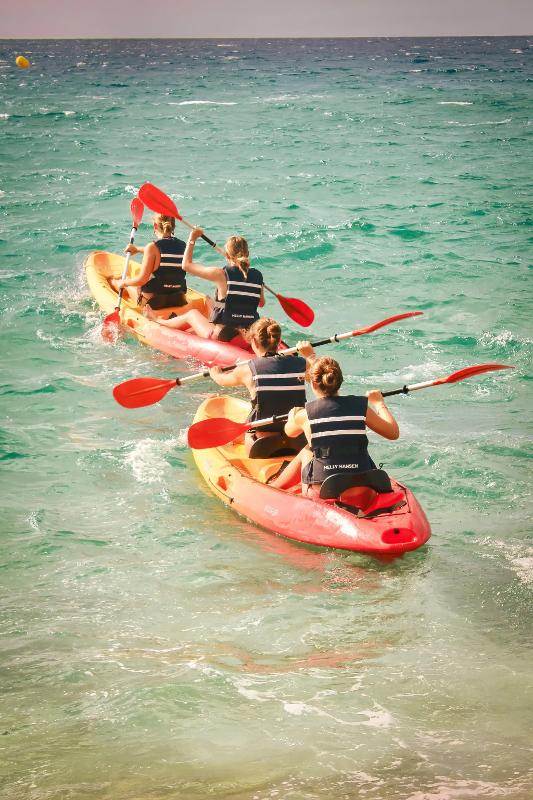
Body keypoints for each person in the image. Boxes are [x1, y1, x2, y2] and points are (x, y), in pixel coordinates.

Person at [270, 345, 399, 495]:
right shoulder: (361, 406)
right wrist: (379, 403)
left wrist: (293, 415)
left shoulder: (305, 414)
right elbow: (393, 433)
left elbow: (289, 432)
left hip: (326, 491)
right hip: (364, 486)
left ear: (313, 383)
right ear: (340, 381)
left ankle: (274, 488)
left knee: (307, 451)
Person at [144, 226, 265, 343]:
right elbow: (261, 303)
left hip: (224, 335)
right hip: (248, 333)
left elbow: (186, 265)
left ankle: (157, 320)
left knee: (192, 314)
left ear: (227, 255)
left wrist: (192, 239)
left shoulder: (221, 274)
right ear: (248, 253)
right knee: (209, 300)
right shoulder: (258, 276)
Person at [208, 317, 307, 455]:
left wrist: (215, 373)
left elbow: (222, 380)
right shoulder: (301, 363)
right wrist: (310, 355)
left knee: (239, 433)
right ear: (279, 341)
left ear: (254, 342)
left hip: (261, 445)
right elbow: (320, 373)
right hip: (298, 441)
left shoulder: (247, 370)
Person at [111, 213, 187, 310]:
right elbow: (165, 252)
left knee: (123, 281)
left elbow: (142, 280)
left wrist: (124, 282)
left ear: (155, 226)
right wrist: (137, 249)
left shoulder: (152, 247)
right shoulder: (183, 246)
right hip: (178, 299)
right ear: (174, 226)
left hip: (154, 302)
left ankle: (114, 283)